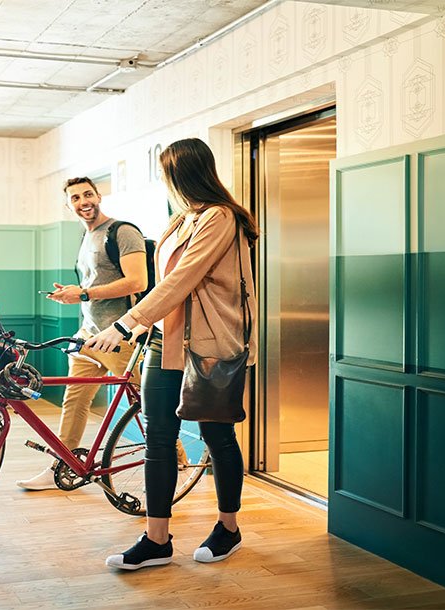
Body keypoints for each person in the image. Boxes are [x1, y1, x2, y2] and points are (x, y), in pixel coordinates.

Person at [86, 138, 259, 570]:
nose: (165, 183)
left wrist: (127, 323)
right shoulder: (182, 220)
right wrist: (141, 324)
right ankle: (156, 539)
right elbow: (163, 283)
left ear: (181, 175)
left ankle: (228, 528)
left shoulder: (219, 218)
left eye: (166, 175)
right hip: (166, 341)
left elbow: (183, 278)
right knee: (159, 439)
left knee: (218, 436)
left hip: (210, 346)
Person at [14, 176, 149, 491]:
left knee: (147, 404)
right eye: (75, 198)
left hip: (118, 337)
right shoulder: (87, 237)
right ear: (68, 205)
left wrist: (85, 294)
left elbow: (137, 281)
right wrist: (72, 296)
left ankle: (177, 459)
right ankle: (60, 466)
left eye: (88, 194)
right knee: (73, 402)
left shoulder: (122, 232)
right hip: (88, 336)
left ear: (98, 195)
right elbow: (92, 284)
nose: (83, 201)